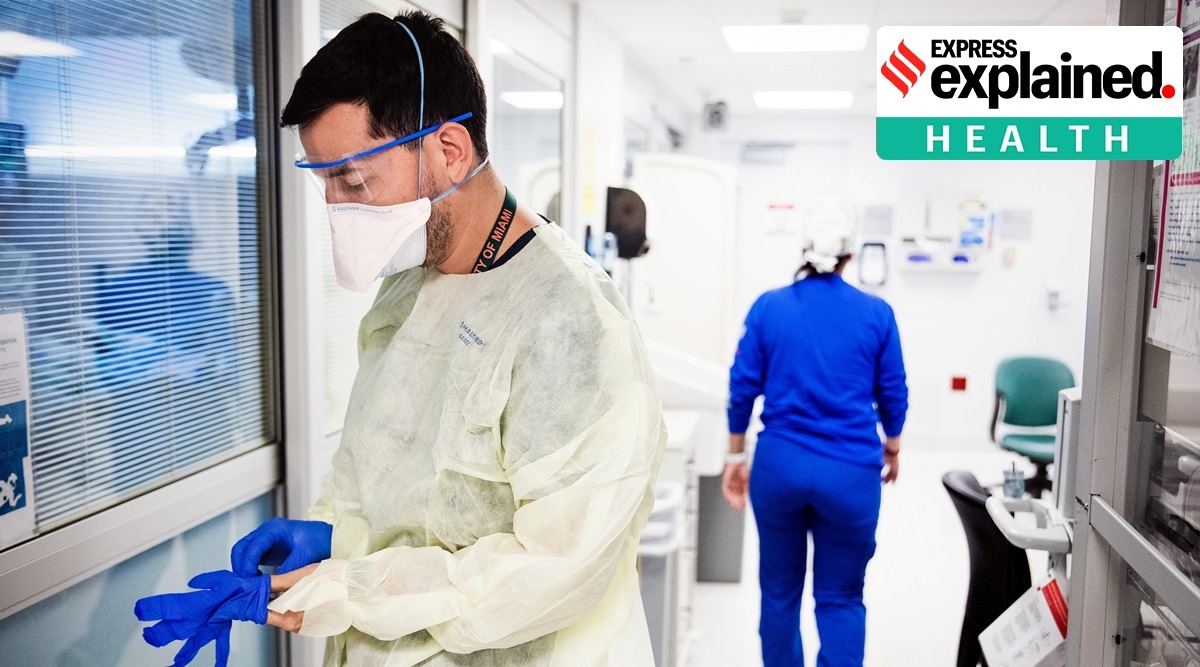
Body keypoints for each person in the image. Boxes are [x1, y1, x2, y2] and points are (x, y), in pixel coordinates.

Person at [134, 11, 666, 666]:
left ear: (449, 150)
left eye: (353, 181)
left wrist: (346, 587)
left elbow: (551, 571)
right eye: (324, 181)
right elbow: (396, 480)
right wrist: (339, 534)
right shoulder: (412, 287)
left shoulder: (573, 326)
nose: (336, 208)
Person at [722, 199, 908, 667]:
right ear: (849, 257)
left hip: (779, 468)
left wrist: (734, 459)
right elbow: (893, 392)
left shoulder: (769, 307)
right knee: (842, 596)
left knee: (780, 592)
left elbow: (741, 388)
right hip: (850, 473)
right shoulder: (876, 313)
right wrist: (893, 446)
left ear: (805, 251)